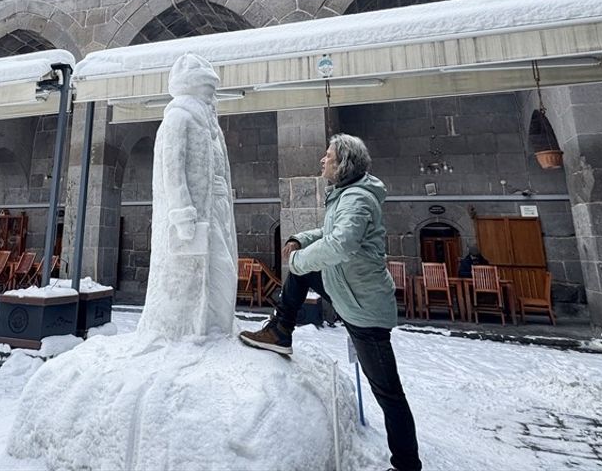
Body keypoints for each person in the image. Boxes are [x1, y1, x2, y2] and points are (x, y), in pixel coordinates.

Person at [239, 133, 422, 471]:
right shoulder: (345, 196)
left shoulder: (357, 200)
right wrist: (299, 240)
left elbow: (340, 245)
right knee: (301, 269)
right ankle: (281, 330)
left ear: (343, 164)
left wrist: (298, 260)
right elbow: (327, 233)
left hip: (364, 310)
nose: (322, 160)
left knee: (388, 393)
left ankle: (407, 465)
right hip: (345, 290)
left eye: (328, 156)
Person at [137, 53, 238, 340]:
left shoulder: (211, 125)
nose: (212, 95)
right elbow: (172, 169)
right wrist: (182, 212)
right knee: (194, 274)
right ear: (191, 86)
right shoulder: (178, 118)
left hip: (215, 208)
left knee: (222, 272)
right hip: (192, 214)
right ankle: (186, 329)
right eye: (207, 88)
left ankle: (216, 325)